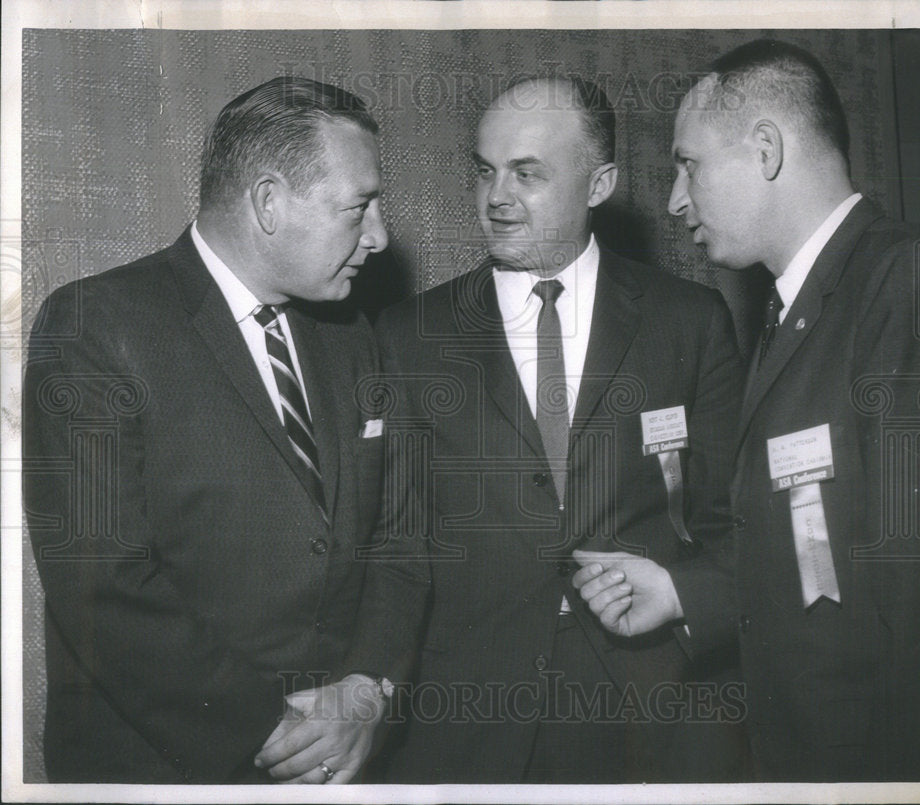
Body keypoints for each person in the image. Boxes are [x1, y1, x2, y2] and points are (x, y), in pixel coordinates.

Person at [328, 76, 748, 784]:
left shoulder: (690, 321)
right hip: (468, 721)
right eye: (486, 171)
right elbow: (395, 543)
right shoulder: (409, 335)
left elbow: (735, 518)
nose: (497, 197)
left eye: (527, 173)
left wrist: (684, 594)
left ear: (599, 184)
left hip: (653, 710)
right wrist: (368, 682)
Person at [573, 39, 920, 781]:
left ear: (764, 149)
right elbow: (816, 550)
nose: (674, 200)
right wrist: (680, 590)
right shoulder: (792, 313)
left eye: (689, 164)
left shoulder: (912, 280)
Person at [23, 77, 392, 784]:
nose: (380, 235)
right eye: (359, 208)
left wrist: (365, 691)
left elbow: (398, 536)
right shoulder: (93, 327)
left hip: (344, 757)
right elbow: (102, 582)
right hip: (168, 768)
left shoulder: (353, 337)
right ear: (268, 202)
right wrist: (278, 735)